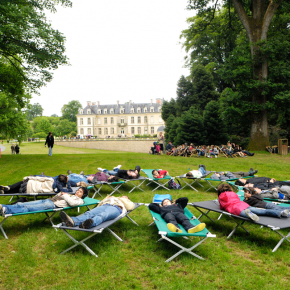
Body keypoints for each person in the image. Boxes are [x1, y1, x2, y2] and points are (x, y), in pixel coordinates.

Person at [217, 184, 290, 222]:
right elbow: (237, 200)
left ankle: (248, 215)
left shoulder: (221, 197)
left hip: (235, 208)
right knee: (264, 212)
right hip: (244, 205)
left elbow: (222, 206)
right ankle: (281, 213)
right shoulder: (233, 194)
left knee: (243, 213)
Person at [60, 195, 135, 229]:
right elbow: (101, 203)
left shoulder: (127, 201)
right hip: (104, 205)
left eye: (125, 197)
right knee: (89, 213)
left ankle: (89, 224)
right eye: (122, 196)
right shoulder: (113, 197)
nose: (123, 196)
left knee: (102, 215)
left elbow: (130, 207)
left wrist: (121, 199)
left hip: (116, 208)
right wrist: (108, 198)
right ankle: (73, 221)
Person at [0, 187, 88, 215]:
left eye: (80, 191)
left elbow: (72, 203)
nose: (77, 191)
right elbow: (58, 197)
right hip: (48, 200)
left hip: (51, 205)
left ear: (83, 195)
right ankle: (3, 206)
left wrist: (65, 195)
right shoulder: (71, 195)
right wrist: (60, 194)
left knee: (27, 208)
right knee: (22, 203)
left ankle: (6, 210)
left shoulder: (80, 201)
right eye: (78, 190)